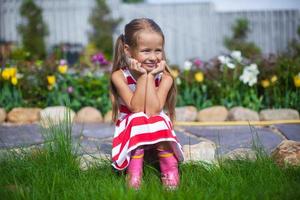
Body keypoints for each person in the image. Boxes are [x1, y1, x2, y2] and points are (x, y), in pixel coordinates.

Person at [110, 18, 183, 190]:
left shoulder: (165, 77)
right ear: (128, 51)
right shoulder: (119, 76)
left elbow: (152, 110)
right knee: (137, 118)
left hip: (157, 130)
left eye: (158, 50)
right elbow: (136, 108)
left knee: (157, 117)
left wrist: (149, 76)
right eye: (146, 51)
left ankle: (169, 171)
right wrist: (143, 76)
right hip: (130, 132)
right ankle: (135, 174)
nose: (153, 57)